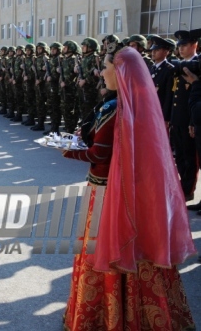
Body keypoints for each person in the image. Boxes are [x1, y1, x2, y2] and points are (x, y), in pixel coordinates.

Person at [61, 43, 195, 330]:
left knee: (104, 252)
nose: (101, 72)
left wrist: (68, 151)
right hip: (137, 198)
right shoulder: (141, 106)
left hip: (106, 194)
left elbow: (99, 154)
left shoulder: (115, 108)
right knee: (139, 252)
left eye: (106, 67)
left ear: (119, 71)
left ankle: (108, 318)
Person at [166, 30, 199, 201]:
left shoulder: (197, 65)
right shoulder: (178, 66)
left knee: (189, 156)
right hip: (178, 118)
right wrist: (171, 117)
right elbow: (174, 96)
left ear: (195, 45)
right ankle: (182, 185)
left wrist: (193, 122)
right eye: (179, 46)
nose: (181, 49)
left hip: (190, 120)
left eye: (185, 45)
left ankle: (188, 190)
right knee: (179, 155)